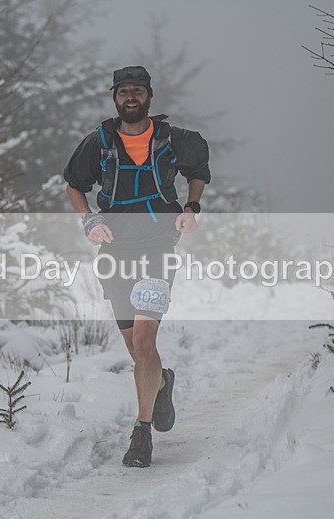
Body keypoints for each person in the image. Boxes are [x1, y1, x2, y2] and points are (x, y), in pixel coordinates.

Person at [63, 65, 211, 467]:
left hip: (158, 248)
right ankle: (161, 382)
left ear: (149, 96)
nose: (131, 97)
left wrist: (191, 207)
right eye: (124, 91)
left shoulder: (173, 139)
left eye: (138, 91)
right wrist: (88, 219)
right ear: (115, 97)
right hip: (115, 252)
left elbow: (198, 169)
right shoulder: (99, 142)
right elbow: (74, 184)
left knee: (145, 342)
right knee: (134, 347)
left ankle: (141, 433)